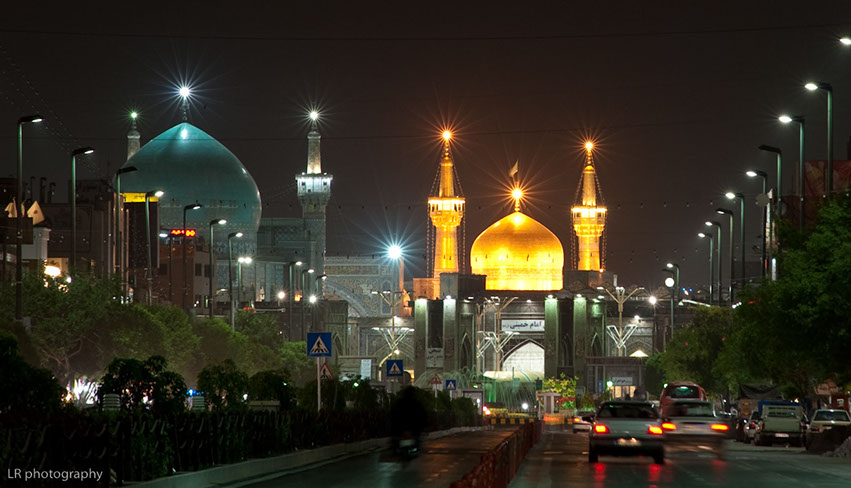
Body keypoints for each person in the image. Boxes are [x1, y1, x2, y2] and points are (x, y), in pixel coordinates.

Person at [390, 387, 428, 457]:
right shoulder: (416, 403)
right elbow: (423, 416)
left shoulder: (399, 403)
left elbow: (392, 415)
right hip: (411, 429)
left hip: (402, 429)